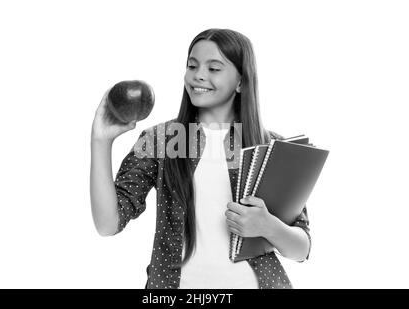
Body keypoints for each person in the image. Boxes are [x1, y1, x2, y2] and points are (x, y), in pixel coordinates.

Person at [90, 28, 311, 289]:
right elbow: (108, 223)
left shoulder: (271, 147)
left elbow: (301, 249)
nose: (199, 75)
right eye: (192, 65)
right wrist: (100, 141)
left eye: (214, 68)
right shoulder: (163, 140)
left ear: (241, 81)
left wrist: (268, 226)